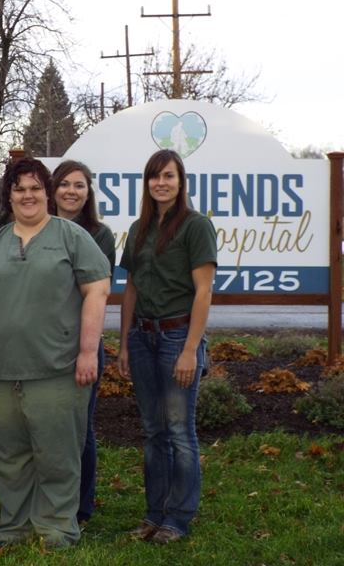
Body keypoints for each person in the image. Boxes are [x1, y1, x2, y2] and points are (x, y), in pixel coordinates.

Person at [0, 158, 110, 548]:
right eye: (19, 189)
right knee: (8, 455)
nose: (27, 195)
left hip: (56, 369)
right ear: (9, 196)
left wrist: (88, 351)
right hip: (0, 370)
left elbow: (97, 290)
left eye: (35, 188)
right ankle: (14, 526)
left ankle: (56, 527)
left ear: (47, 193)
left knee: (57, 453)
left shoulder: (71, 237)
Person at [118, 149, 216, 544]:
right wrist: (125, 344)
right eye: (155, 176)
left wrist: (191, 349)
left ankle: (178, 518)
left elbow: (204, 292)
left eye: (169, 176)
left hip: (178, 337)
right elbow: (131, 289)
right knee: (153, 431)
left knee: (179, 431)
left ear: (180, 181)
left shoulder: (195, 226)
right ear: (147, 183)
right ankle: (154, 514)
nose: (161, 183)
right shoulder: (139, 228)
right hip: (142, 337)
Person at [51, 159, 116, 524]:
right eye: (64, 184)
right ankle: (48, 499)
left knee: (80, 427)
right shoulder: (36, 228)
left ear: (88, 192)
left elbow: (93, 290)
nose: (71, 191)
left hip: (82, 343)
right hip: (42, 343)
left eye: (79, 185)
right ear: (53, 189)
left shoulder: (99, 235)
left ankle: (80, 506)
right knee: (46, 424)